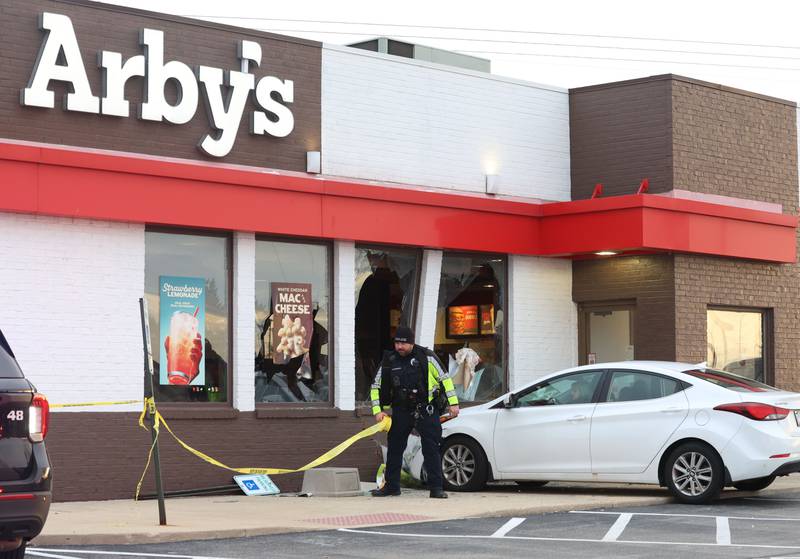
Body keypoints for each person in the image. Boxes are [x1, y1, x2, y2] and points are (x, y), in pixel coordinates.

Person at [370, 326, 460, 498]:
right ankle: (391, 487)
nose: (399, 347)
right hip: (401, 410)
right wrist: (377, 411)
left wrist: (453, 404)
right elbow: (375, 386)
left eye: (403, 344)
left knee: (431, 448)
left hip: (426, 409)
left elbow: (445, 379)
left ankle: (436, 488)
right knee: (395, 448)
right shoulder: (389, 361)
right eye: (397, 343)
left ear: (412, 343)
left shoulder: (426, 357)